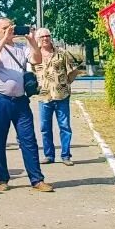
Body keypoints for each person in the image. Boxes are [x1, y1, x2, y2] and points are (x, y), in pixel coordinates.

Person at [0, 16, 52, 192]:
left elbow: (36, 60)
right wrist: (4, 40)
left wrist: (32, 41)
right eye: (4, 28)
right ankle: (2, 179)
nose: (9, 31)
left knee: (28, 140)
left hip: (20, 101)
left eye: (10, 27)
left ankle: (37, 179)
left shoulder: (21, 48)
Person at [29, 28, 82, 166]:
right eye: (42, 37)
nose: (45, 39)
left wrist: (68, 81)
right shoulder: (35, 55)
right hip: (44, 96)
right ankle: (49, 155)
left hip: (61, 94)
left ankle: (65, 155)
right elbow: (31, 74)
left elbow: (72, 71)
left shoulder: (61, 53)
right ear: (38, 39)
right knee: (45, 127)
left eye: (47, 36)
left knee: (65, 126)